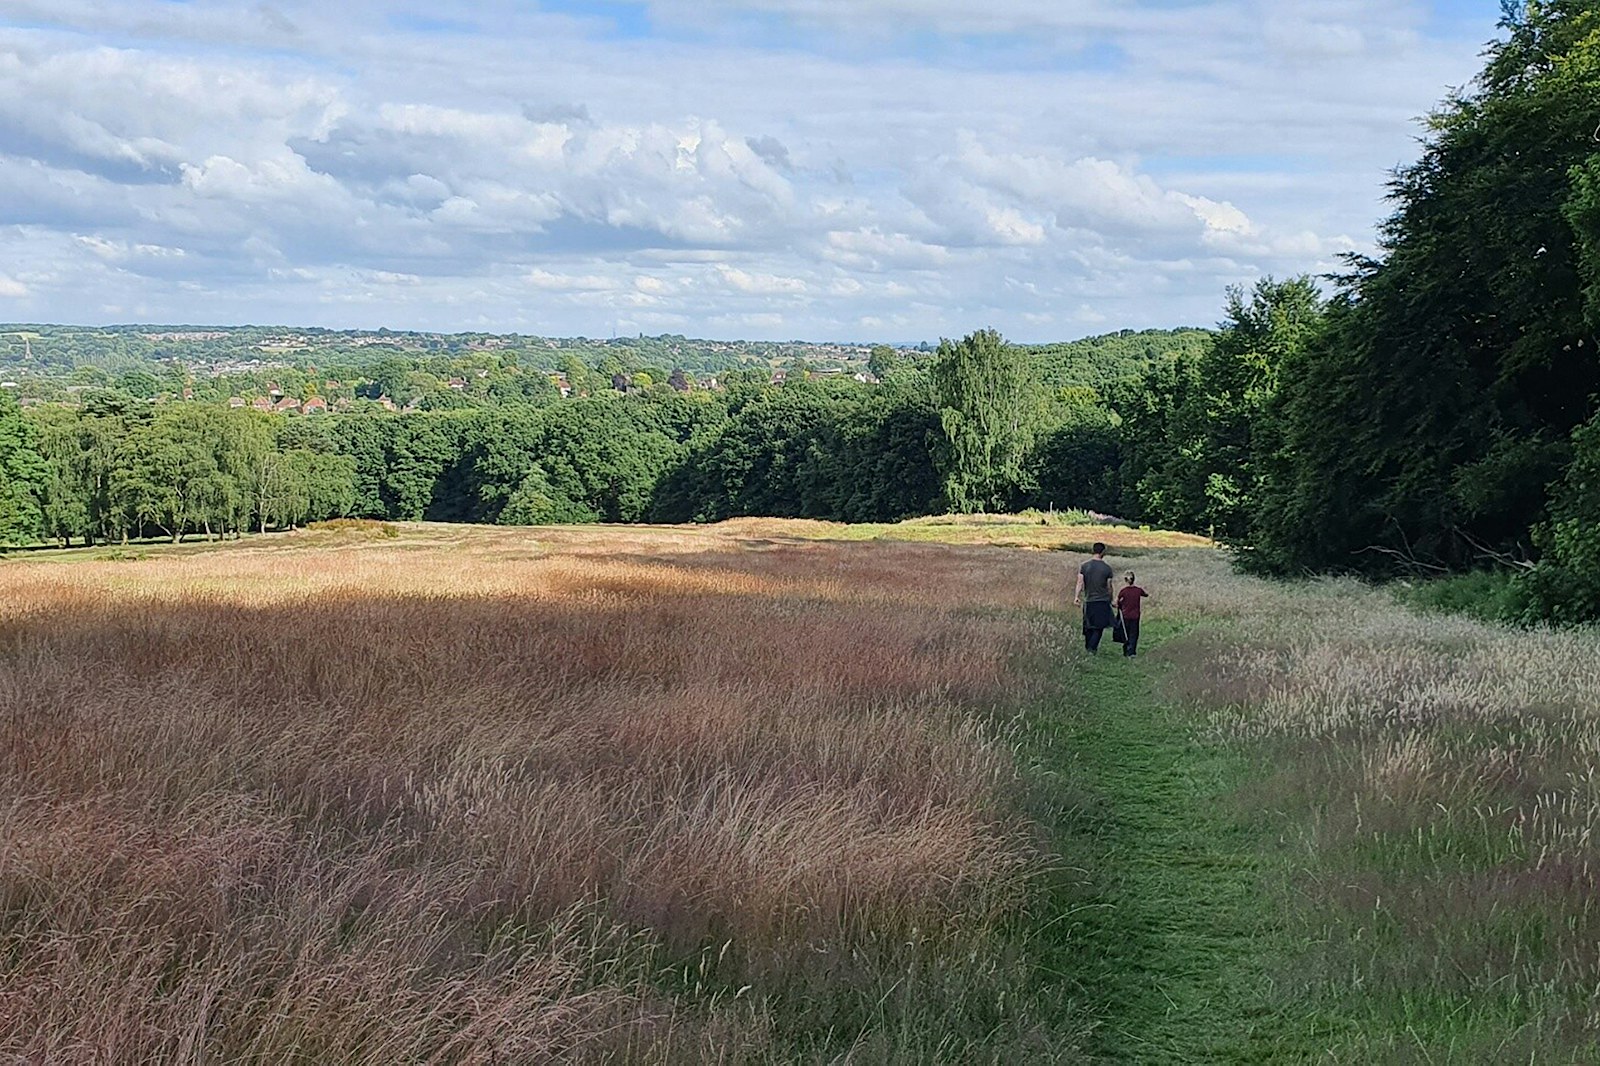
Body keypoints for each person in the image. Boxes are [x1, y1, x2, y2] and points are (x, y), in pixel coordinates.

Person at [1073, 542, 1115, 653]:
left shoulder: (1084, 566)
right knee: (1099, 627)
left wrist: (1076, 597)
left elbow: (1080, 582)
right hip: (1102, 601)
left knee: (1088, 625)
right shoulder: (1107, 568)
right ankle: (1092, 648)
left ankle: (1088, 647)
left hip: (1089, 600)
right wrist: (1111, 599)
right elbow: (1109, 587)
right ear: (1103, 552)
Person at [1116, 571, 1149, 657]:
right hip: (1135, 616)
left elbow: (1118, 602)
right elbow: (1145, 594)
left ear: (1125, 580)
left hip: (1125, 615)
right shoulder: (1138, 590)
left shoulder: (1123, 591)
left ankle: (1126, 651)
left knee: (1126, 633)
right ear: (1134, 579)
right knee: (1134, 634)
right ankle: (1132, 652)